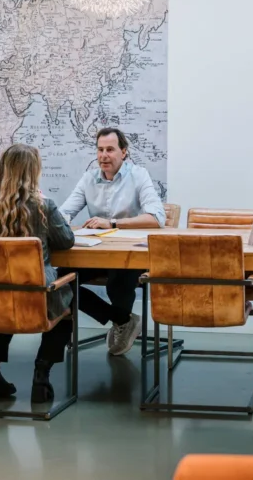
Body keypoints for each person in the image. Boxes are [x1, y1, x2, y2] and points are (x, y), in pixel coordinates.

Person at [0, 143, 76, 403]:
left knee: (1, 298)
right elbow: (66, 241)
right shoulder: (42, 206)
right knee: (68, 304)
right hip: (37, 294)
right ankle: (41, 374)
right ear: (33, 172)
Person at [59, 127, 166, 356]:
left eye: (110, 149)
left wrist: (113, 223)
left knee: (119, 277)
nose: (103, 155)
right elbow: (64, 213)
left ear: (124, 152)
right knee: (61, 280)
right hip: (97, 252)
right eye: (99, 150)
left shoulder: (138, 175)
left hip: (131, 254)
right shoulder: (89, 178)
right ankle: (121, 320)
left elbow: (157, 218)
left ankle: (121, 321)